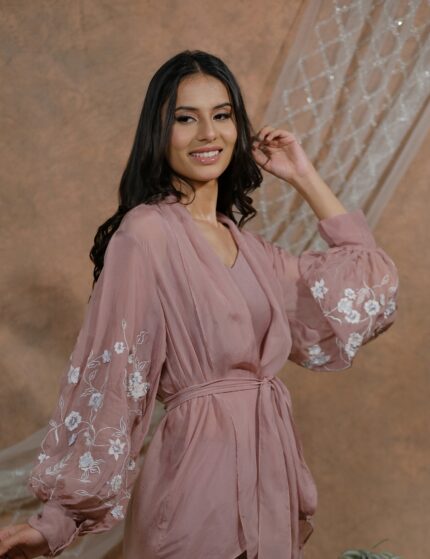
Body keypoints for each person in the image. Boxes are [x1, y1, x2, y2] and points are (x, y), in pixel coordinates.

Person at [0, 50, 399, 559]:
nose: (208, 133)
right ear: (159, 131)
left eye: (222, 115)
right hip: (194, 491)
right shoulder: (145, 235)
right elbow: (112, 377)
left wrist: (303, 174)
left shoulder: (252, 252)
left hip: (270, 486)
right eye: (185, 118)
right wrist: (57, 521)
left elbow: (370, 285)